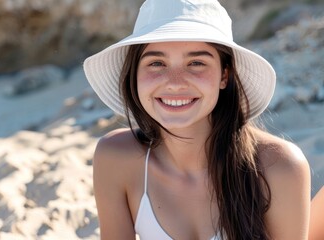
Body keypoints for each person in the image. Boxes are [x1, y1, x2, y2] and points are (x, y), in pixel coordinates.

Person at [83, 0, 311, 239]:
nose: (175, 82)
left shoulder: (278, 167)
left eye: (196, 63)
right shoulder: (116, 158)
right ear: (135, 73)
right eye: (157, 63)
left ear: (225, 75)